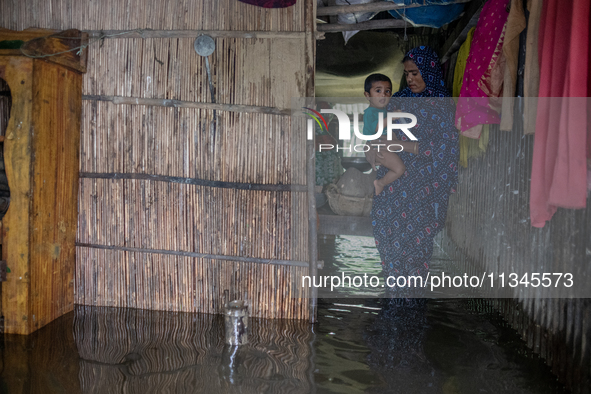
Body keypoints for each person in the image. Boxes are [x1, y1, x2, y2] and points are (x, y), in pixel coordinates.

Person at [371, 46, 459, 298]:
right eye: (407, 73)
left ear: (429, 71)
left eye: (415, 73)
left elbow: (444, 148)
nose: (410, 79)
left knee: (415, 257)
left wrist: (398, 145)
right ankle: (393, 307)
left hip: (422, 191)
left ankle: (411, 311)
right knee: (389, 250)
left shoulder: (441, 106)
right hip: (391, 190)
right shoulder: (397, 100)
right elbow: (378, 136)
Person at [362, 74, 406, 195]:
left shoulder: (383, 110)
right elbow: (377, 127)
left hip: (384, 147)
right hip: (379, 149)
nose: (383, 94)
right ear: (367, 95)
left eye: (387, 91)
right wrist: (392, 117)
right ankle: (380, 183)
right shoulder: (369, 113)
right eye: (378, 91)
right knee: (399, 169)